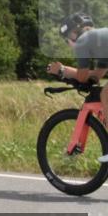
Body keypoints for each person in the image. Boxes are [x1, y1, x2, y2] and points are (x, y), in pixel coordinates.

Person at [46, 13, 108, 163]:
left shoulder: (83, 41)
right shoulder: (98, 41)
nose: (69, 44)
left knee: (106, 94)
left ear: (74, 33)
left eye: (67, 39)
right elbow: (96, 75)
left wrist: (62, 71)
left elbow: (82, 76)